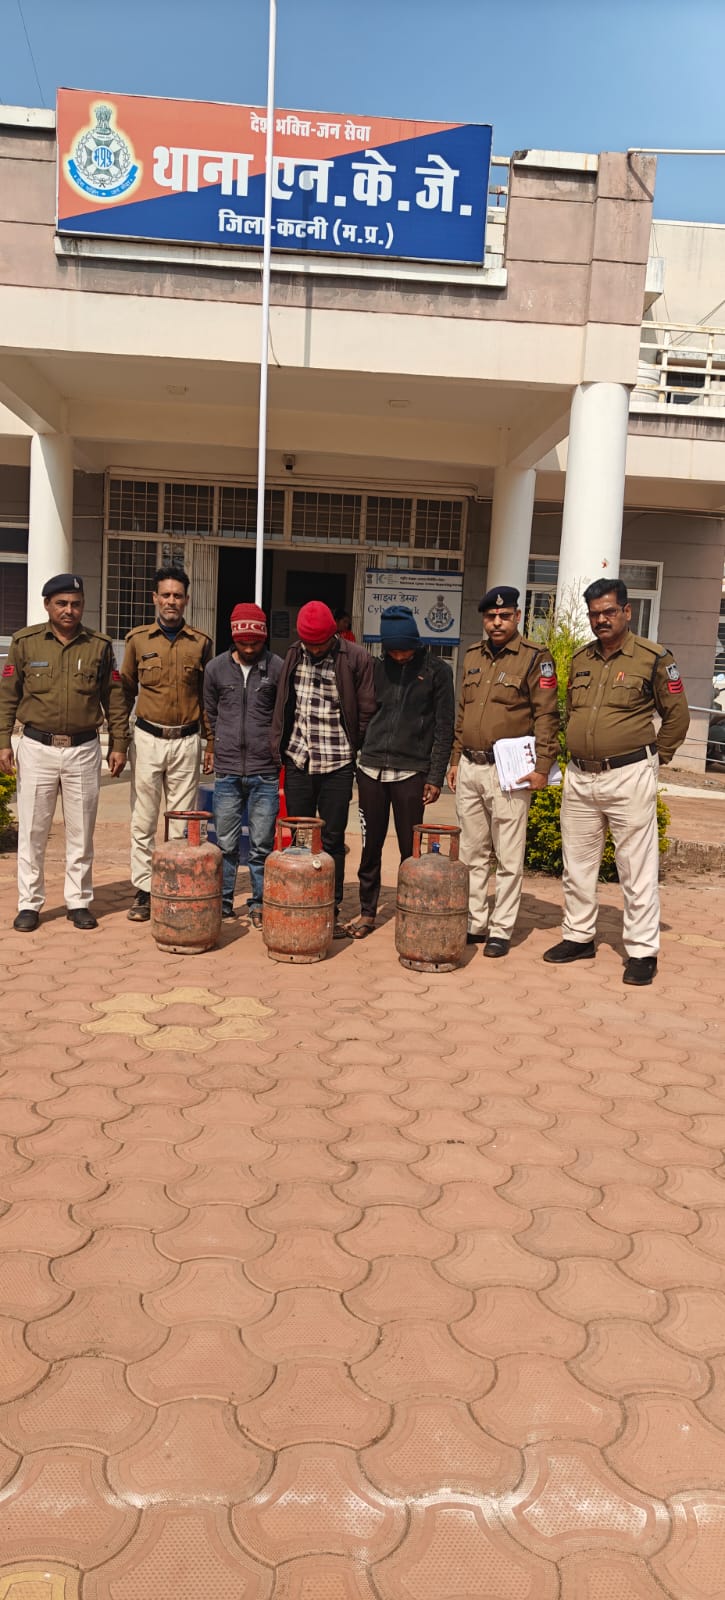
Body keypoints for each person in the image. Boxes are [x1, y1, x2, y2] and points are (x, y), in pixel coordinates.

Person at [544, 577, 690, 986]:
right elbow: (572, 711)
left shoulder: (654, 658)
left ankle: (641, 950)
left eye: (609, 611)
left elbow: (677, 715)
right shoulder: (581, 658)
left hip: (629, 775)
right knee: (577, 864)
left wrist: (656, 758)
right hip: (580, 776)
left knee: (635, 867)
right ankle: (578, 936)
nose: (601, 620)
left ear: (627, 611)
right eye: (595, 614)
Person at [0, 573, 129, 932]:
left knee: (81, 831)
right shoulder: (25, 643)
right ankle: (29, 903)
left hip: (83, 749)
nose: (69, 610)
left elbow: (114, 698)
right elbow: (7, 695)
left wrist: (119, 743)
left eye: (75, 604)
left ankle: (79, 901)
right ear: (47, 605)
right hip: (36, 747)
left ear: (82, 605)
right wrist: (3, 742)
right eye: (61, 603)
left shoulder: (99, 646)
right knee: (32, 831)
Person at [447, 585, 559, 957]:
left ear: (517, 617)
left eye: (505, 616)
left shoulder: (535, 658)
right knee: (471, 852)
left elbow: (547, 716)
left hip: (509, 771)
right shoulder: (472, 655)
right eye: (491, 616)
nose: (497, 622)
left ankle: (501, 929)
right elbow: (462, 713)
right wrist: (455, 759)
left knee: (508, 856)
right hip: (470, 766)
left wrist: (542, 766)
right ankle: (475, 922)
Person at [344, 604, 455, 938]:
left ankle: (412, 909)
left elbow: (444, 726)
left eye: (405, 649)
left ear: (416, 643)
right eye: (393, 650)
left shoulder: (437, 671)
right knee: (370, 847)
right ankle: (367, 912)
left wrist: (435, 777)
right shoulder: (375, 669)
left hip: (412, 774)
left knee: (412, 850)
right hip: (371, 771)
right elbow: (362, 713)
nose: (400, 656)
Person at [272, 599, 375, 933]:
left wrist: (354, 744)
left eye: (320, 644)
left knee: (331, 840)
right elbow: (284, 703)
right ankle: (301, 901)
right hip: (299, 760)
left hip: (337, 763)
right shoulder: (294, 653)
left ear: (333, 635)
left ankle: (330, 906)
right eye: (309, 644)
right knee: (300, 838)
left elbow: (366, 708)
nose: (315, 650)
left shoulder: (356, 658)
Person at [121, 566, 213, 922]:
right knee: (143, 819)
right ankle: (144, 890)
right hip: (147, 739)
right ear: (155, 599)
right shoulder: (138, 641)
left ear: (186, 600)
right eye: (166, 595)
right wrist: (119, 741)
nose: (171, 601)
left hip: (186, 740)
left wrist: (211, 742)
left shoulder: (200, 643)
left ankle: (173, 885)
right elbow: (124, 692)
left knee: (181, 821)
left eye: (177, 595)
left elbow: (207, 698)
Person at [203, 603, 283, 927]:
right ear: (233, 638)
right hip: (228, 770)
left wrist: (275, 751)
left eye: (255, 642)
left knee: (262, 845)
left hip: (265, 770)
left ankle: (259, 903)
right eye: (243, 642)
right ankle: (223, 902)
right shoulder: (215, 669)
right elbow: (210, 712)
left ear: (264, 637)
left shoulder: (277, 668)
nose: (249, 648)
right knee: (225, 844)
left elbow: (282, 714)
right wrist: (216, 744)